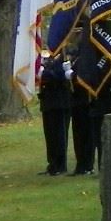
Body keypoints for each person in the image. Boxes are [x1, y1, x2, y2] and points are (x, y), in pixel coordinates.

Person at [68, 27, 111, 176]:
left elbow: (109, 79)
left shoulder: (106, 59)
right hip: (88, 101)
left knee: (102, 137)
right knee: (87, 136)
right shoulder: (82, 55)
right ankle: (83, 165)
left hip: (103, 101)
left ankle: (100, 167)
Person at [37, 44, 74, 175]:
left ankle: (60, 164)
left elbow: (60, 76)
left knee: (59, 135)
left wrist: (44, 72)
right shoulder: (48, 59)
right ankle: (52, 163)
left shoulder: (63, 58)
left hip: (59, 101)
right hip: (48, 101)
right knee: (50, 135)